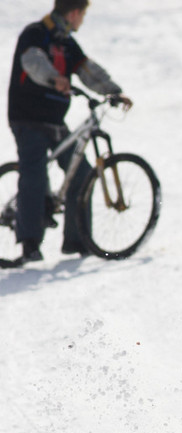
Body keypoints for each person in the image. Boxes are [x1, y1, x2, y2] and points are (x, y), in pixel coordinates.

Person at [7, 0, 133, 265]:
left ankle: (76, 240)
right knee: (35, 174)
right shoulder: (36, 33)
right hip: (28, 119)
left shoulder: (68, 44)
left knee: (82, 173)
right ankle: (29, 243)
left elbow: (88, 71)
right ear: (74, 13)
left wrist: (113, 90)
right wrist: (55, 78)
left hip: (54, 121)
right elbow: (33, 63)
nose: (82, 21)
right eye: (83, 15)